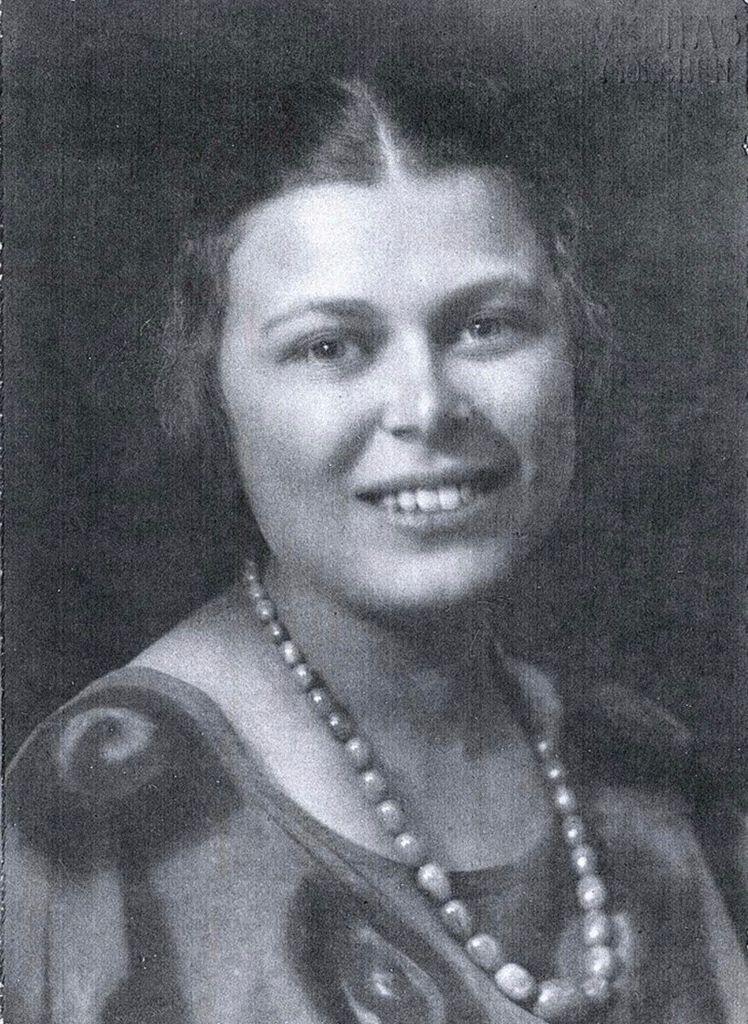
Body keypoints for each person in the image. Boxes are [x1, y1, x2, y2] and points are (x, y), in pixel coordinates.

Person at [6, 61, 746, 1024]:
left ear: (578, 352)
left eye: (486, 326)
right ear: (211, 389)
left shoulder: (656, 776)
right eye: (329, 346)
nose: (427, 407)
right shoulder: (95, 825)